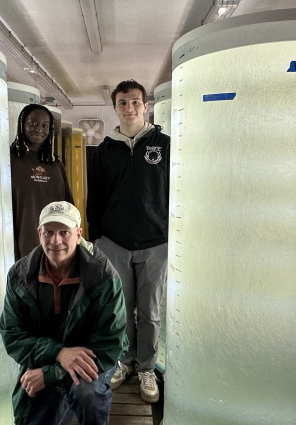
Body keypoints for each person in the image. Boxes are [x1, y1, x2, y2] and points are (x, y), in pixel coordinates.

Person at [0, 201, 127, 425]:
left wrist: (51, 374)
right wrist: (59, 353)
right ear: (40, 233)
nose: (55, 240)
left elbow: (110, 343)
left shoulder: (103, 276)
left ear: (78, 235)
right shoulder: (19, 276)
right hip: (46, 355)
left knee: (86, 393)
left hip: (93, 356)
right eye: (48, 232)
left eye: (64, 232)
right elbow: (12, 333)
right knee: (28, 411)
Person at [86, 80, 169, 403]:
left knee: (149, 311)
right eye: (123, 103)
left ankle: (146, 367)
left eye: (135, 102)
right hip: (115, 243)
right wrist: (98, 237)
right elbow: (95, 196)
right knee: (120, 310)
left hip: (155, 242)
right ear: (115, 108)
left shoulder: (163, 145)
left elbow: (175, 190)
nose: (129, 108)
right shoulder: (104, 150)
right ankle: (124, 361)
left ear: (145, 106)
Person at [11, 104, 74, 260]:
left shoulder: (55, 164)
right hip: (25, 245)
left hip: (57, 246)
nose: (39, 129)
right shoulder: (10, 159)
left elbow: (68, 206)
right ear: (22, 124)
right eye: (33, 123)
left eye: (45, 125)